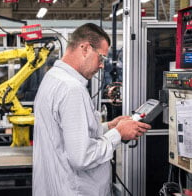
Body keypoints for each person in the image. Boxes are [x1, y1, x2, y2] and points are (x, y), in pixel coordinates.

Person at [33, 23, 151, 196]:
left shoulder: (52, 78)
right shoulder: (72, 89)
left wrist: (109, 127)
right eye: (101, 58)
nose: (102, 65)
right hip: (74, 190)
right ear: (85, 48)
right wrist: (118, 134)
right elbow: (82, 157)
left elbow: (68, 135)